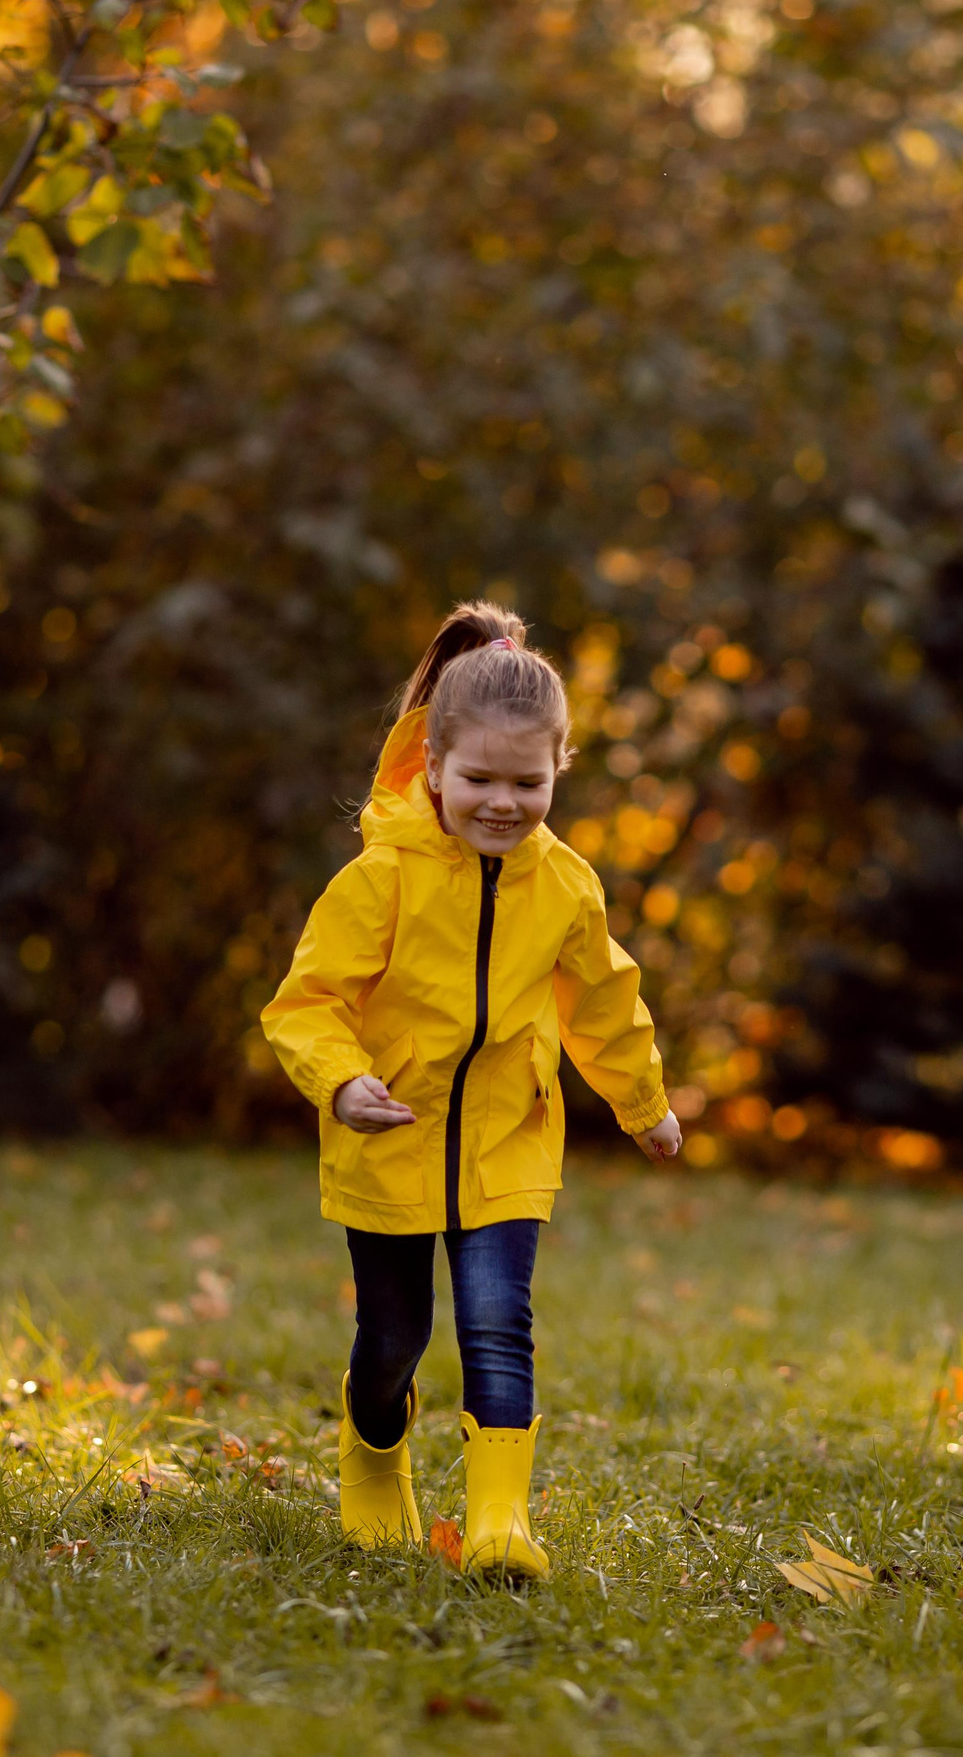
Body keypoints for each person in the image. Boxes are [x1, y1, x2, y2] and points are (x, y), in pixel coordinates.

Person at [261, 602, 682, 1578]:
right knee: (392, 1340)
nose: (503, 802)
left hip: (506, 1143)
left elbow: (605, 1003)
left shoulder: (565, 887)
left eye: (527, 782)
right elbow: (304, 1005)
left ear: (559, 770)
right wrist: (342, 1082)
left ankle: (499, 1525)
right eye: (480, 779)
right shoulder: (381, 881)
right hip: (389, 1138)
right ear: (434, 763)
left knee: (499, 1323)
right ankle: (374, 1454)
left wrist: (643, 1103)